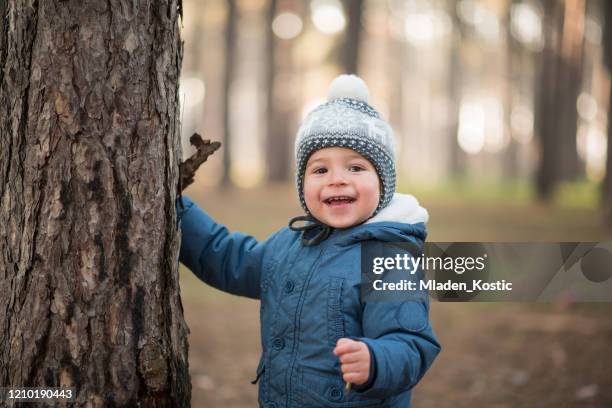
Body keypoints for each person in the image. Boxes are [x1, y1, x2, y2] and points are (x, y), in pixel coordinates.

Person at [178, 74, 441, 407]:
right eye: (320, 170)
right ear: (303, 185)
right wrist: (178, 210)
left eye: (356, 167)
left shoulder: (389, 257)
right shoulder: (289, 244)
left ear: (383, 182)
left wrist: (375, 361)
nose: (337, 180)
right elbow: (230, 259)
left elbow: (411, 342)